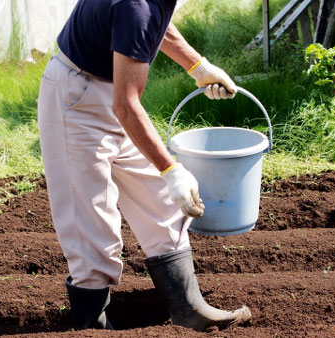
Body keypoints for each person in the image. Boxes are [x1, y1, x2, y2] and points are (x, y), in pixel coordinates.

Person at [37, 0, 252, 331]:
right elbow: (126, 103)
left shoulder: (149, 5)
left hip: (109, 94)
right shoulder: (135, 6)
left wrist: (198, 66)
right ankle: (92, 326)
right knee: (90, 222)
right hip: (76, 100)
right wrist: (172, 170)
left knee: (162, 204)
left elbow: (157, 24)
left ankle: (189, 308)